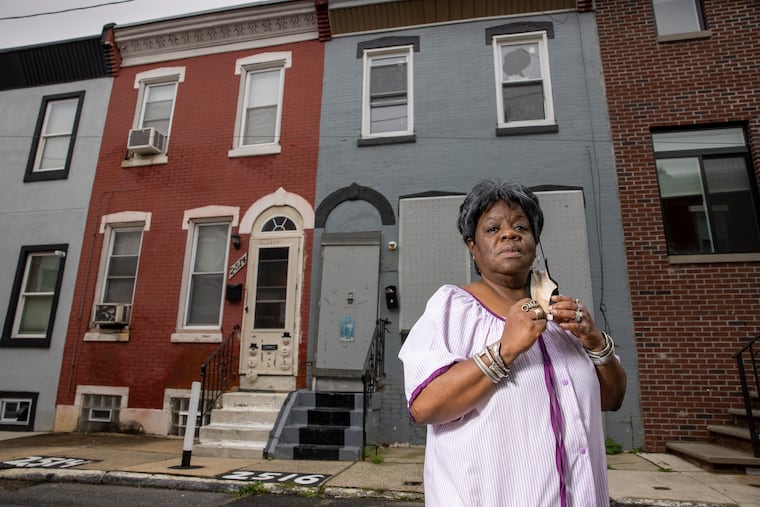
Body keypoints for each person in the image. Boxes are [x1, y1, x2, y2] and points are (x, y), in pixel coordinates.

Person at [398, 180, 627, 506]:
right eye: (492, 228)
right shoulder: (452, 307)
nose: (509, 234)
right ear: (472, 247)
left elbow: (612, 398)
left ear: (535, 241)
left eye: (521, 226)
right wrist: (505, 350)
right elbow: (424, 406)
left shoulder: (563, 320)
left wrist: (594, 340)